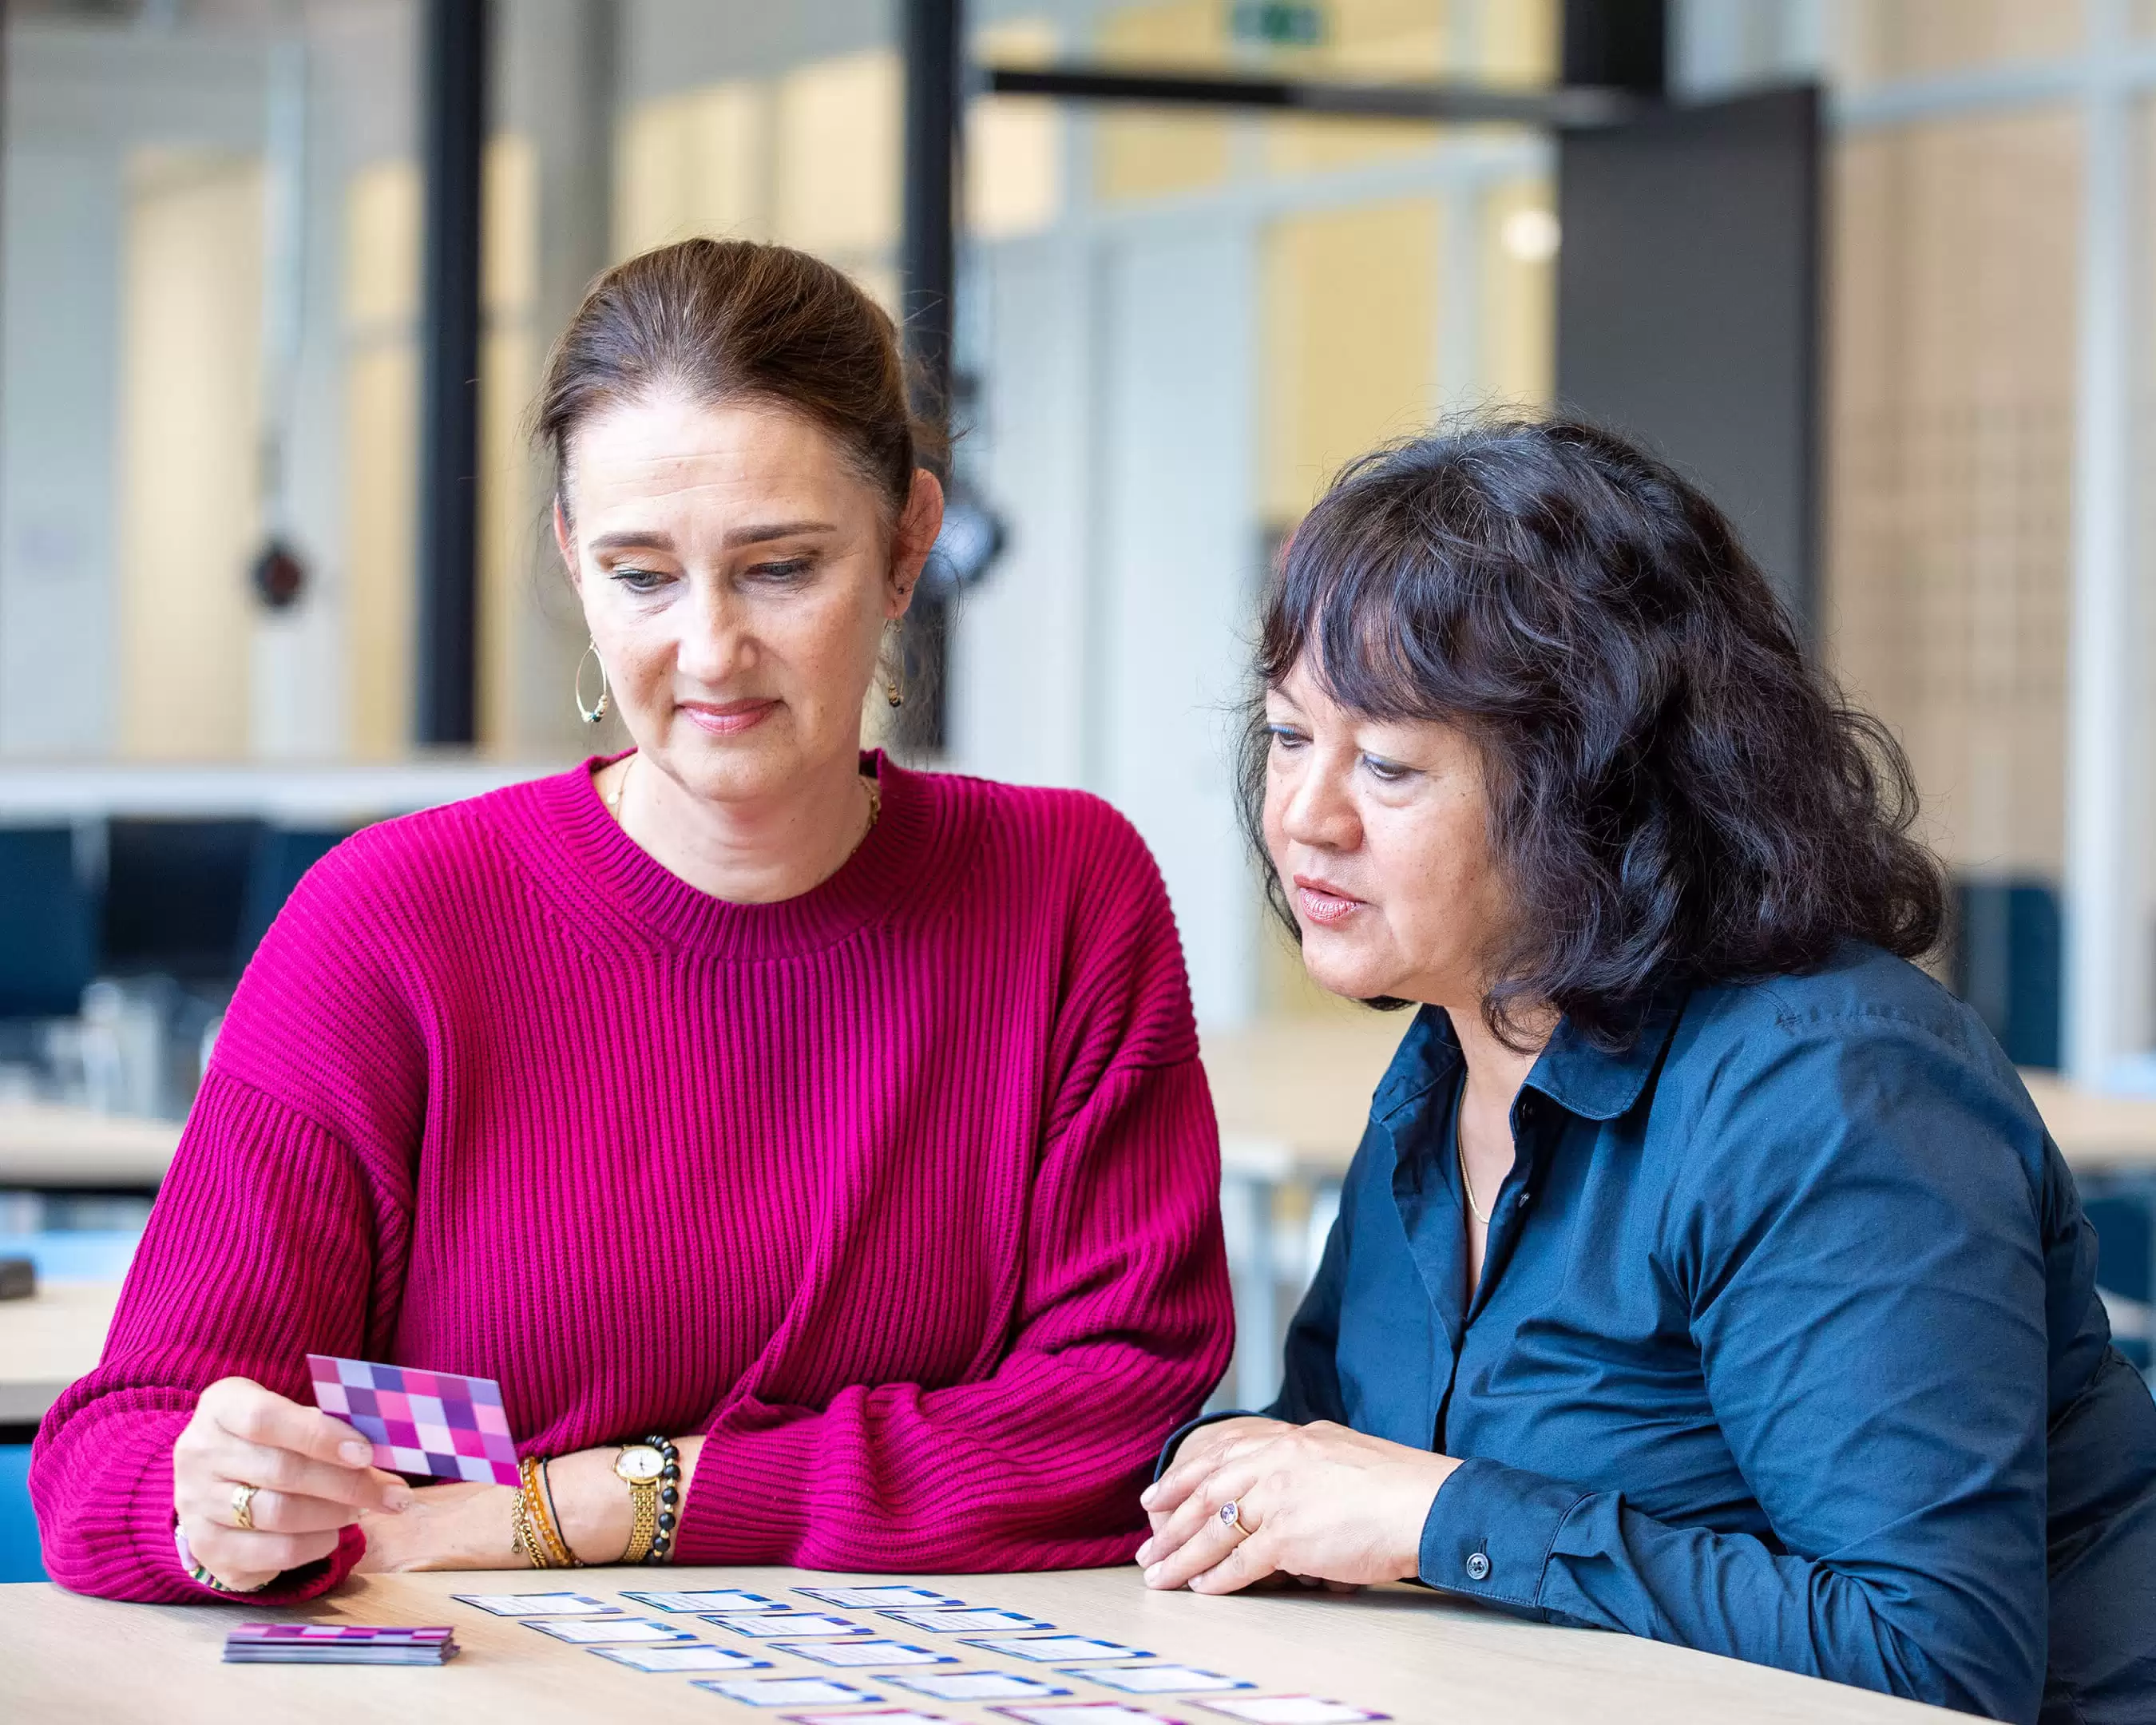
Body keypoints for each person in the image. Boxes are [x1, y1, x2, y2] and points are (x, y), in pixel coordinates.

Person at [33, 237, 1232, 1603]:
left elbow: (1120, 1416)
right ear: (571, 558)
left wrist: (597, 1500)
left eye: (780, 569)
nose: (710, 651)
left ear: (908, 546)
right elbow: (113, 1458)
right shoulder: (394, 923)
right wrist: (218, 1509)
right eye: (642, 575)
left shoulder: (1067, 893)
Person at [1135, 420, 2156, 1725]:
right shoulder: (1456, 1048)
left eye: (1388, 764)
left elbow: (1936, 1659)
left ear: (1597, 794)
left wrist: (1441, 1515)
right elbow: (1354, 1468)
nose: (1305, 818)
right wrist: (1244, 1476)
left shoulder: (1831, 1092)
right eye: (1288, 738)